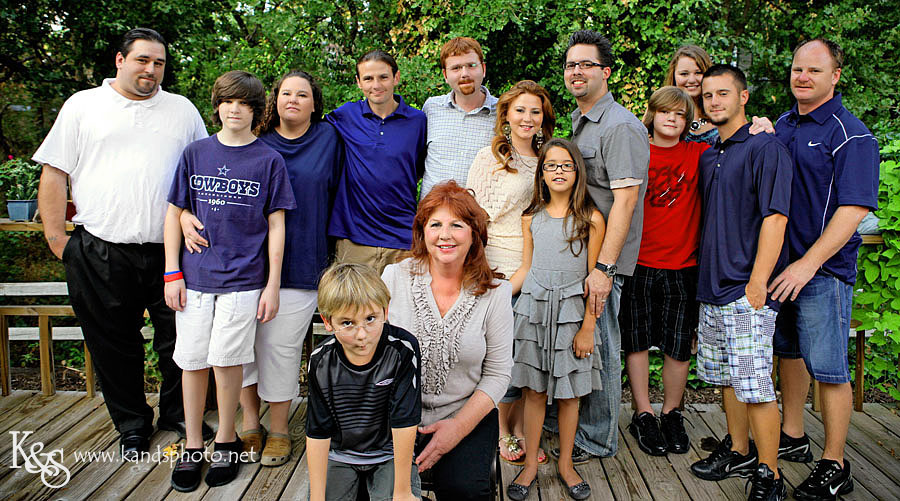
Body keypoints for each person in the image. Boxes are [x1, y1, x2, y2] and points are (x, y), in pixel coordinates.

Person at [32, 27, 212, 459]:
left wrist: (191, 218)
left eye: (159, 63)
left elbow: (202, 173)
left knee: (180, 339)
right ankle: (131, 425)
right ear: (120, 60)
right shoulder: (84, 106)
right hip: (100, 249)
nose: (151, 70)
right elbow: (55, 174)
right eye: (142, 60)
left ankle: (177, 412)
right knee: (114, 344)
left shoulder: (182, 110)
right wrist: (59, 240)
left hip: (171, 250)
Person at [181, 69, 344, 466]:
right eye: (286, 92)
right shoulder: (256, 142)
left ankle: (280, 428)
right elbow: (206, 191)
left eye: (302, 94)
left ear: (314, 102)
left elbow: (343, 191)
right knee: (241, 350)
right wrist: (185, 214)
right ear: (272, 101)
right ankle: (249, 422)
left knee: (280, 350)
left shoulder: (329, 139)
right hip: (246, 267)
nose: (293, 100)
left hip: (302, 261)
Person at [163, 70, 296, 491]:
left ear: (257, 112)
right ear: (217, 107)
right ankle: (194, 443)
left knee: (226, 359)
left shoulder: (268, 159)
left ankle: (226, 439)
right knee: (192, 360)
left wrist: (273, 283)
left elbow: (277, 225)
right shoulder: (195, 153)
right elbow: (174, 213)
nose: (234, 109)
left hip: (244, 280)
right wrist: (172, 271)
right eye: (227, 102)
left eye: (244, 104)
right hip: (195, 277)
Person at [769, 38, 879, 500]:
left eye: (814, 70)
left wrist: (807, 265)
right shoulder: (782, 124)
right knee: (789, 354)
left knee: (830, 369)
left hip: (822, 272)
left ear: (835, 76)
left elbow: (853, 210)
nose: (802, 77)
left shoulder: (850, 134)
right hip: (780, 268)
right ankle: (792, 436)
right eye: (797, 69)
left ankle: (835, 463)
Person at [688, 64, 792, 501]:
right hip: (712, 286)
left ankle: (769, 474)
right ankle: (738, 449)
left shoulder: (765, 148)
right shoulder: (712, 152)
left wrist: (758, 282)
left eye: (723, 94)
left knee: (755, 384)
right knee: (727, 379)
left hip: (746, 289)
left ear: (744, 97)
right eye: (708, 95)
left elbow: (775, 217)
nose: (714, 102)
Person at [381, 181, 514, 500]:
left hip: (465, 413)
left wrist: (457, 429)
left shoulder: (496, 294)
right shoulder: (394, 278)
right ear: (422, 231)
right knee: (377, 488)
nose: (445, 234)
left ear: (474, 234)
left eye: (457, 225)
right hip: (395, 416)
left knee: (464, 489)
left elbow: (498, 375)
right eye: (435, 224)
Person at [553, 29, 649, 462]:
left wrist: (604, 270)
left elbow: (626, 199)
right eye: (572, 64)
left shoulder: (620, 126)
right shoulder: (581, 120)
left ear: (605, 72)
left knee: (603, 348)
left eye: (586, 64)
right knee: (581, 343)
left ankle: (597, 439)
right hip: (582, 254)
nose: (577, 71)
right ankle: (576, 424)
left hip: (603, 262)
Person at [507, 138, 604, 501]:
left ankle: (565, 465)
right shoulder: (531, 217)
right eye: (552, 165)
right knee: (533, 393)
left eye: (566, 165)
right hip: (534, 311)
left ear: (577, 171)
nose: (559, 171)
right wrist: (499, 294)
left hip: (571, 317)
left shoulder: (591, 219)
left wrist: (588, 328)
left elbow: (595, 281)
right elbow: (526, 268)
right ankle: (530, 464)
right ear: (542, 173)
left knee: (568, 397)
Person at [466, 79, 556, 464]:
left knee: (529, 351)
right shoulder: (490, 157)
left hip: (538, 260)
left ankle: (522, 427)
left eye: (535, 111)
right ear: (506, 114)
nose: (527, 118)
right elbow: (474, 216)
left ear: (543, 119)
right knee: (502, 351)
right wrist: (481, 270)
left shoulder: (549, 157)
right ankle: (503, 431)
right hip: (498, 262)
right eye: (520, 110)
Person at [621, 86, 709, 457]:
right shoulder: (638, 152)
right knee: (637, 340)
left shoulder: (700, 153)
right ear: (652, 115)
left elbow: (733, 137)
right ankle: (643, 412)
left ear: (688, 121)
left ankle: (672, 412)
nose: (671, 119)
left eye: (680, 114)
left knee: (677, 344)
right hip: (638, 262)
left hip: (682, 265)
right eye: (665, 112)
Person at [306, 263, 422, 501]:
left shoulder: (402, 350)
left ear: (385, 311)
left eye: (370, 318)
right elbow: (317, 431)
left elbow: (405, 421)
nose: (361, 334)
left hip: (389, 453)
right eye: (347, 323)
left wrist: (402, 491)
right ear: (328, 322)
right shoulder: (321, 361)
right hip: (340, 454)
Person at [328, 49, 427, 275]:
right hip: (354, 239)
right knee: (352, 309)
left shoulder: (418, 121)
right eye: (368, 78)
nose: (376, 85)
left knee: (400, 309)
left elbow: (418, 169)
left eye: (383, 77)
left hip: (402, 238)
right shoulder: (345, 115)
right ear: (359, 83)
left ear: (396, 78)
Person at [421, 37, 498, 198]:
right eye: (456, 68)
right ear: (445, 75)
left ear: (483, 69)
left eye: (471, 66)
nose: (465, 74)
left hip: (479, 217)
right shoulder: (431, 108)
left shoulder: (503, 112)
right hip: (432, 216)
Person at [664, 45, 718, 145]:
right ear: (674, 76)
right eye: (684, 74)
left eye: (698, 73)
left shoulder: (722, 111)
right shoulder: (659, 112)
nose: (692, 80)